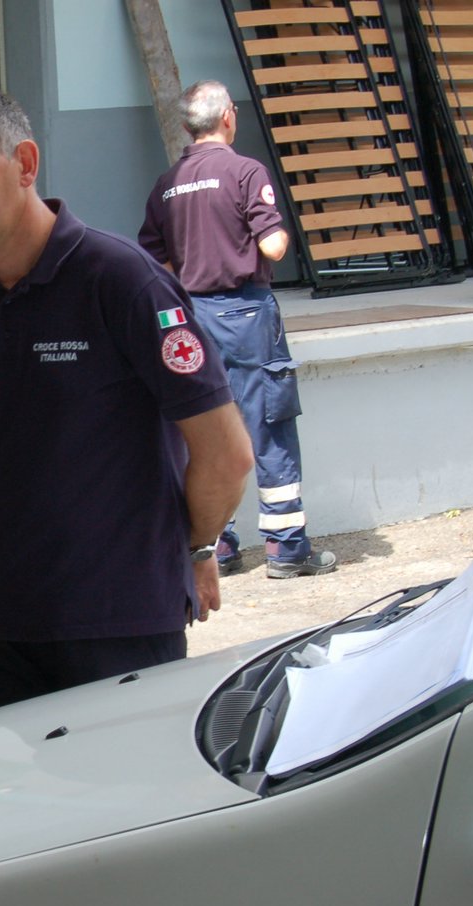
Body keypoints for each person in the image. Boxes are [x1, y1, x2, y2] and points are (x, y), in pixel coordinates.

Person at [0, 83, 254, 714]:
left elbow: (227, 455)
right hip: (5, 626)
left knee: (126, 810)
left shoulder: (120, 279)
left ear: (25, 164)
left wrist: (192, 548)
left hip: (119, 628)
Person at [139, 80, 338, 580]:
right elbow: (272, 247)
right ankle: (286, 548)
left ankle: (218, 545)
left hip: (191, 320)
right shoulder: (246, 172)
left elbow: (154, 264)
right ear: (228, 116)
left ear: (188, 125)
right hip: (246, 316)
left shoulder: (167, 183)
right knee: (267, 424)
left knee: (207, 431)